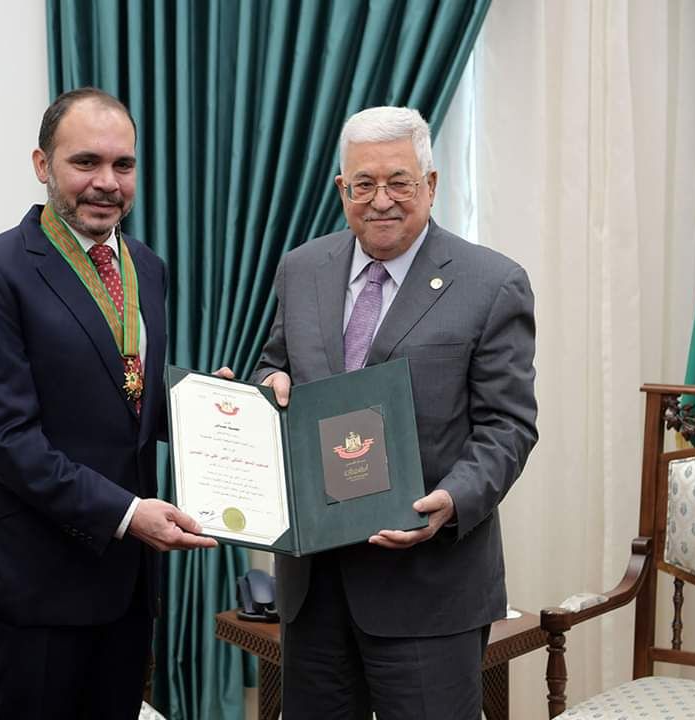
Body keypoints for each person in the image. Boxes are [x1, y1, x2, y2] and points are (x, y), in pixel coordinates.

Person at [252, 106, 538, 719]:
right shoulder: (301, 268)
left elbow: (507, 426)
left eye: (399, 182)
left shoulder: (492, 283)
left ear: (430, 185)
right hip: (314, 587)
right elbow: (273, 367)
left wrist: (453, 500)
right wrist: (264, 386)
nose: (381, 200)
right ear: (342, 190)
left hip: (429, 586)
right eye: (364, 184)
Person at [0, 87, 216, 720]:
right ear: (43, 164)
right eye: (85, 162)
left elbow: (130, 397)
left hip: (126, 584)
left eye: (123, 165)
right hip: (32, 587)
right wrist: (127, 513)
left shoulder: (147, 266)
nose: (107, 182)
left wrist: (209, 408)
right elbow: (6, 439)